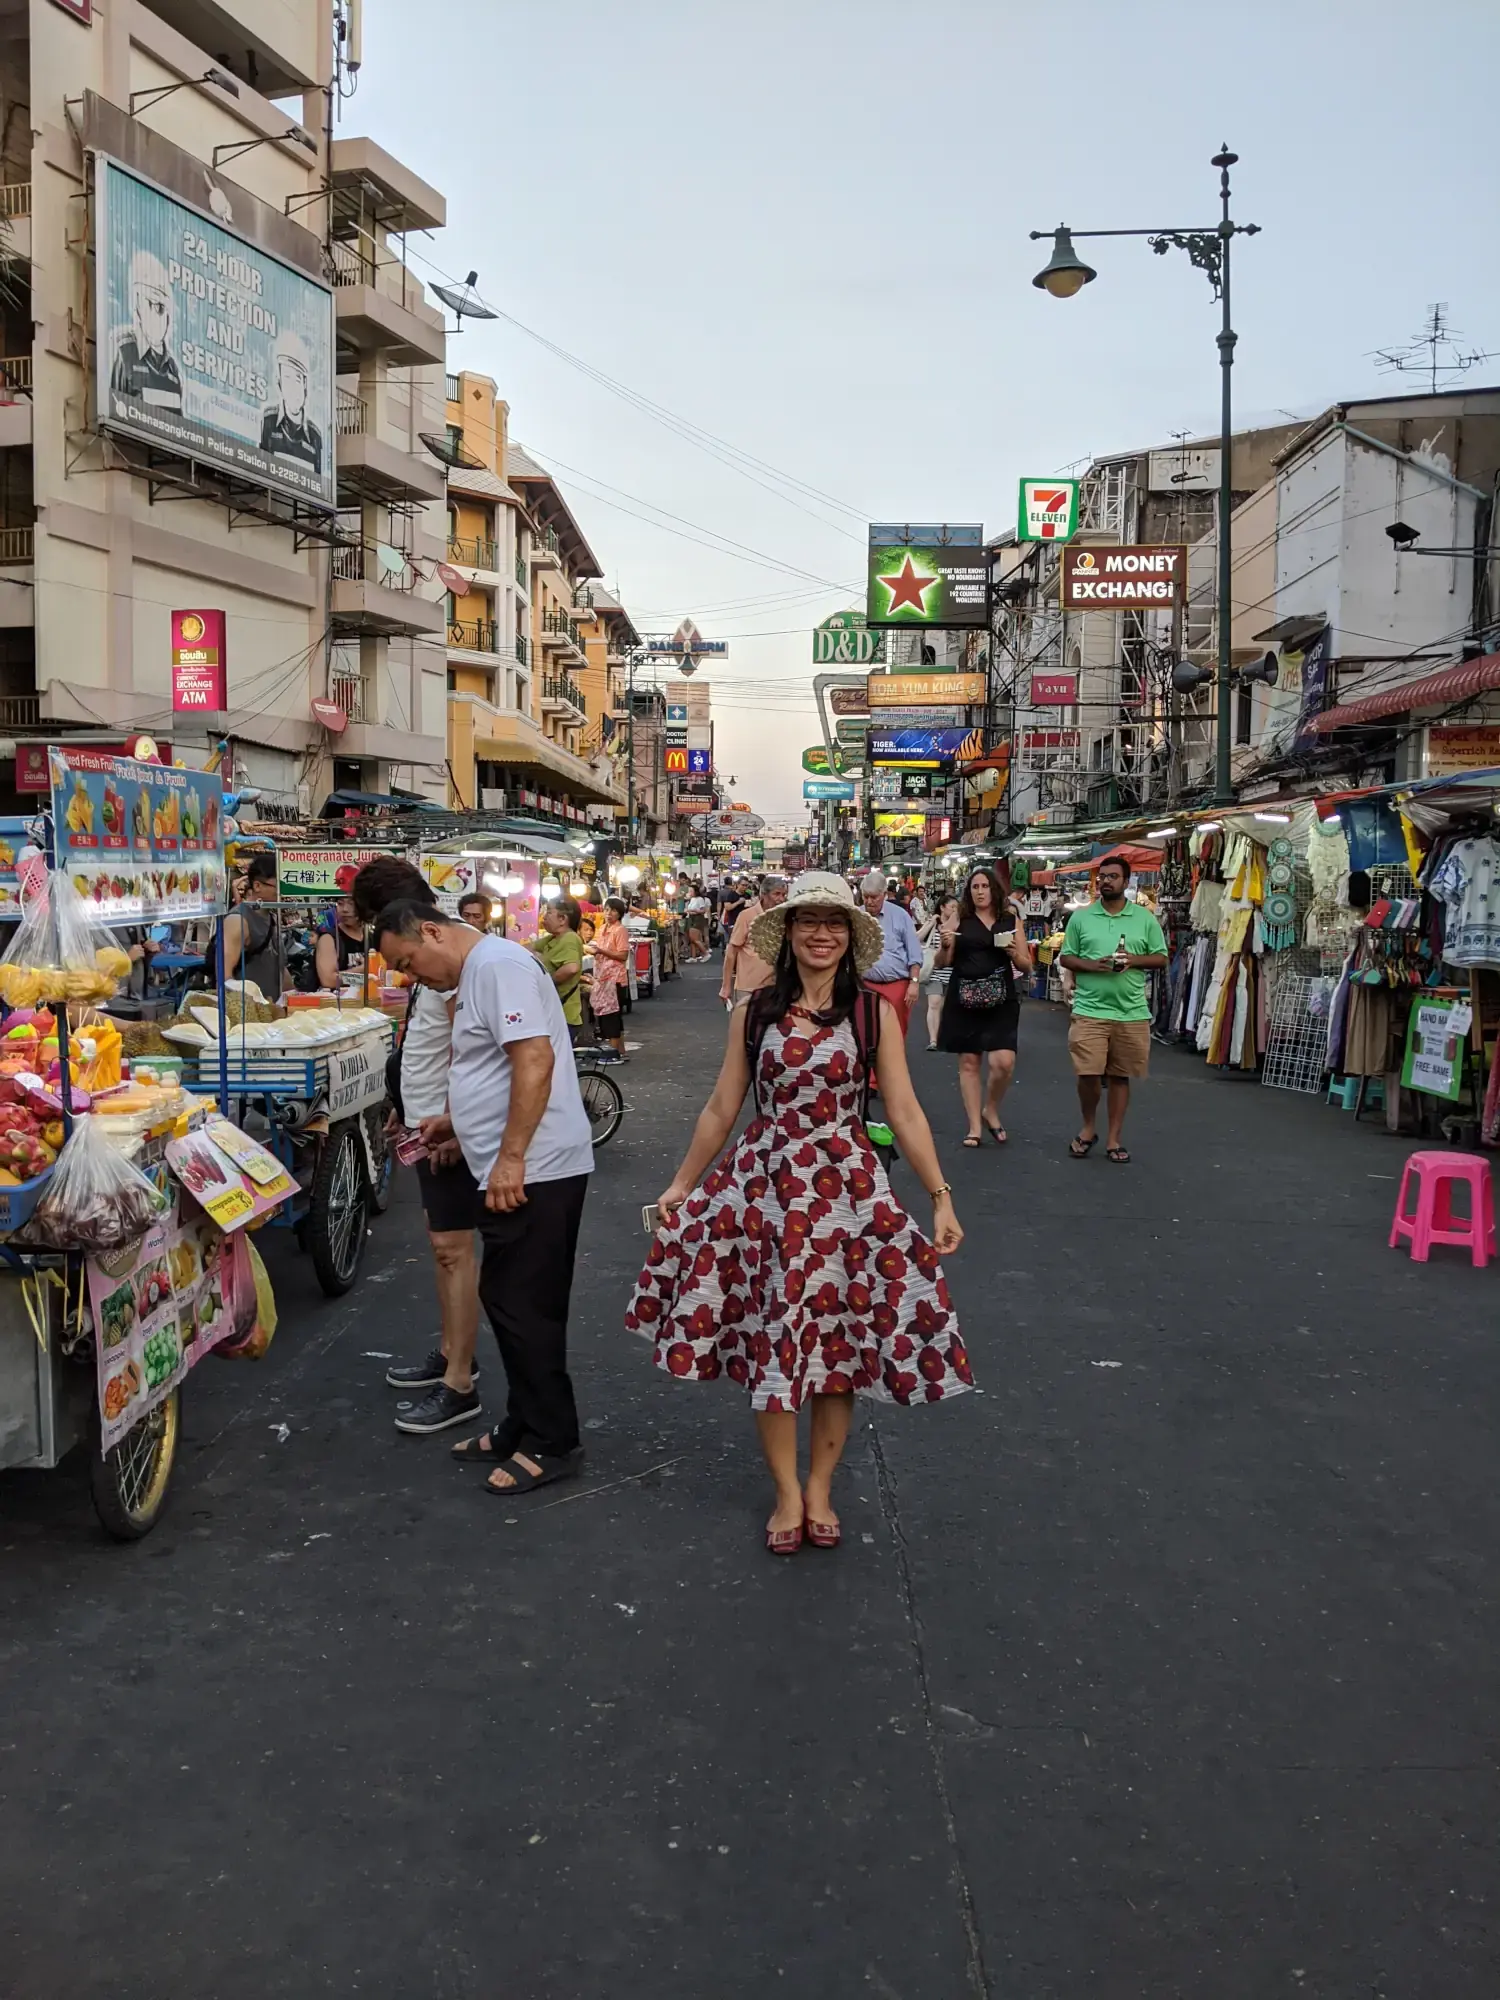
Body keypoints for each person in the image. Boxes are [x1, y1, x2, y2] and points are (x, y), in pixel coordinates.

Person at [627, 872, 968, 1555]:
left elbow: (903, 1109)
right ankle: (787, 1491)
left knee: (837, 1342)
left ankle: (819, 1487)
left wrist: (940, 1195)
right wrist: (681, 1185)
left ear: (850, 936)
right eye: (808, 921)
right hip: (768, 1196)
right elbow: (723, 1106)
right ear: (788, 932)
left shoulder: (871, 1012)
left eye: (834, 922)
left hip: (848, 1197)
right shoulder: (753, 1011)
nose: (821, 934)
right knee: (777, 1341)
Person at [376, 901, 594, 1494]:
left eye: (409, 962)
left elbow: (534, 1059)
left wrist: (512, 1157)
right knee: (507, 1297)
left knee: (526, 1305)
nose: (412, 977)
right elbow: (496, 1068)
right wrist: (458, 1123)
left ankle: (552, 1440)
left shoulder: (497, 966)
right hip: (514, 1164)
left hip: (537, 1167)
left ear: (431, 931)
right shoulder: (479, 971)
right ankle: (523, 1423)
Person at [352, 858, 483, 1437]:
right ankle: (453, 1352)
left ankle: (460, 1381)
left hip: (445, 1128)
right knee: (442, 1246)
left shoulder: (448, 959)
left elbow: (467, 1046)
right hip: (428, 1120)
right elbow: (429, 1043)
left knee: (453, 1249)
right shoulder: (432, 954)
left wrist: (453, 1122)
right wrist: (406, 1107)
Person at [1059, 854, 1168, 1165]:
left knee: (1121, 1076)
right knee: (1088, 1074)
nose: (1106, 882)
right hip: (1090, 1009)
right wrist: (1092, 965)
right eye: (1102, 877)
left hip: (1130, 1011)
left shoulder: (1144, 919)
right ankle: (1088, 1127)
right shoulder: (1081, 918)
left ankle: (1113, 1139)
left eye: (1112, 877)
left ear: (1126, 881)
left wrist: (1132, 960)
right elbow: (1067, 957)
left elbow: (1161, 958)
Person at [936, 867, 1033, 1147]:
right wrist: (945, 946)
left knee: (1003, 1062)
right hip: (965, 996)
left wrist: (1012, 952)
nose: (980, 892)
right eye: (975, 887)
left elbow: (1026, 965)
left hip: (1001, 997)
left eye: (985, 886)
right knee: (969, 1062)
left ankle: (990, 1108)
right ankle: (974, 1128)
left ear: (994, 889)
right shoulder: (960, 918)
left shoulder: (1009, 919)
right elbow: (943, 962)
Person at [109, 250, 183, 412]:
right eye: (154, 305)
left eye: (164, 308)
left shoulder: (172, 369)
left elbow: (178, 422)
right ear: (137, 304)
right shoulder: (123, 350)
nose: (160, 315)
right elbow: (112, 410)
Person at [859, 869, 923, 1034]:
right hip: (864, 985)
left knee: (895, 1033)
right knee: (864, 1034)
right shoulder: (857, 916)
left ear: (884, 894)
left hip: (896, 986)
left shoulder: (900, 915)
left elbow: (914, 953)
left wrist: (914, 983)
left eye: (874, 897)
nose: (869, 902)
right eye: (866, 897)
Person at [259, 330, 323, 475]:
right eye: (287, 378)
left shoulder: (315, 436)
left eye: (298, 379)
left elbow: (318, 480)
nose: (293, 388)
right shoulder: (268, 420)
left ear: (305, 385)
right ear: (279, 383)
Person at [219, 852, 283, 995]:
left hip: (272, 1005)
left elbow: (279, 968)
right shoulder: (238, 920)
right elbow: (224, 975)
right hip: (248, 1006)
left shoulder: (272, 917)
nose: (283, 891)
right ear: (257, 886)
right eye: (279, 886)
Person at [718, 874, 786, 1007]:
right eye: (776, 894)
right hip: (748, 987)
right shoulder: (747, 916)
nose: (781, 899)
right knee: (744, 1019)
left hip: (776, 987)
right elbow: (731, 952)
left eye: (784, 895)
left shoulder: (784, 917)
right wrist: (725, 986)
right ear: (764, 895)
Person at [532, 896, 586, 1042]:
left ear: (562, 919)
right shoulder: (552, 939)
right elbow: (526, 949)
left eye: (549, 912)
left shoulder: (570, 938)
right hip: (554, 1014)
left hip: (563, 1016)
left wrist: (546, 981)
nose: (544, 916)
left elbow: (572, 968)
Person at [589, 897, 631, 1061]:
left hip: (615, 979)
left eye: (613, 911)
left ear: (620, 914)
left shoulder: (620, 930)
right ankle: (621, 1051)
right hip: (603, 977)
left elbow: (623, 955)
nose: (609, 913)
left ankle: (613, 1054)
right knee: (613, 1016)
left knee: (612, 1016)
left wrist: (601, 951)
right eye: (606, 910)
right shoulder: (602, 929)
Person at [918, 895, 959, 1051]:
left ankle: (947, 1037)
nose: (954, 910)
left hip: (953, 971)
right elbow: (917, 938)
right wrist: (931, 922)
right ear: (942, 907)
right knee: (934, 1003)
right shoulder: (934, 924)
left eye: (956, 908)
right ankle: (933, 1040)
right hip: (934, 971)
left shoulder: (959, 925)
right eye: (952, 907)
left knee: (949, 1007)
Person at [314, 895, 367, 991]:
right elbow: (328, 980)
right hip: (337, 999)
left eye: (351, 904)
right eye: (340, 903)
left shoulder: (373, 936)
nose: (345, 909)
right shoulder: (329, 938)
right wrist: (362, 972)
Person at [684, 884, 711, 961]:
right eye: (689, 891)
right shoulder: (692, 899)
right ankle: (693, 957)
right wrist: (688, 911)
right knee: (692, 939)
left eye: (691, 891)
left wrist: (693, 910)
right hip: (691, 918)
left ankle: (705, 953)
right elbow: (689, 910)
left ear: (695, 891)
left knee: (695, 938)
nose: (689, 893)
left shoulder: (700, 899)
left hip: (698, 919)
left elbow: (703, 910)